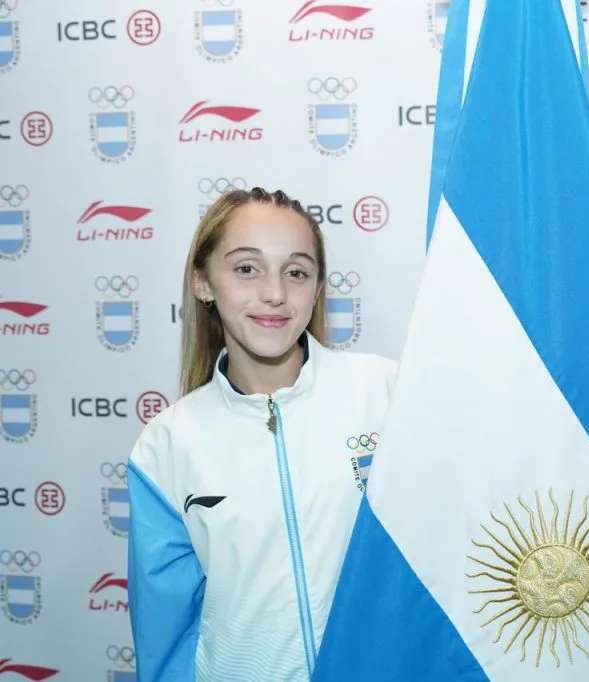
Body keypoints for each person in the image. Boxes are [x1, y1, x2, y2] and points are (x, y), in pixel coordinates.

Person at [126, 187, 397, 681]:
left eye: (296, 272)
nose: (275, 292)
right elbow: (165, 633)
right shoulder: (164, 446)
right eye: (246, 268)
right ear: (203, 283)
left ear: (317, 288)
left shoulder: (387, 393)